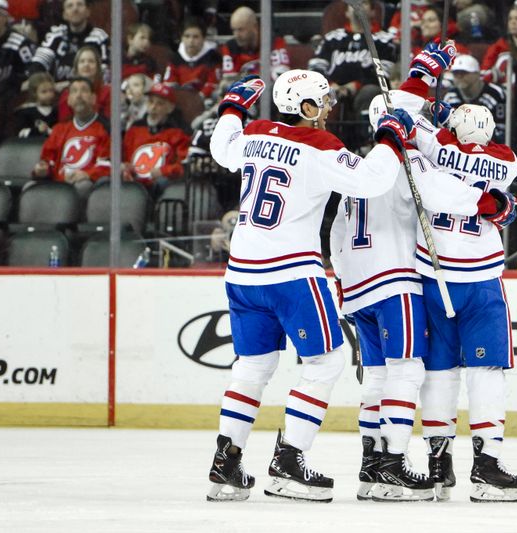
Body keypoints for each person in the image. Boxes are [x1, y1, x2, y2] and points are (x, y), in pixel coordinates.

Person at [206, 69, 406, 503]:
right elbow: (374, 179)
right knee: (328, 360)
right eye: (325, 101)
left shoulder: (254, 133)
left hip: (242, 272)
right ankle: (289, 461)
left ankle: (226, 463)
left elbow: (221, 148)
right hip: (291, 272)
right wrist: (392, 137)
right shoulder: (319, 146)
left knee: (252, 366)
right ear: (307, 108)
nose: (330, 108)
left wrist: (231, 108)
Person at [330, 59, 512, 501]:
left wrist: (421, 83)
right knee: (459, 371)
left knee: (430, 373)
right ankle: (481, 464)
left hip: (400, 279)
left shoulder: (367, 164)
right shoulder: (495, 160)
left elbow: (337, 231)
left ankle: (427, 461)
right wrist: (496, 205)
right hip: (449, 279)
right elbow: (447, 184)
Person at [397, 45, 517, 503]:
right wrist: (498, 206)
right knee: (487, 372)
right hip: (482, 278)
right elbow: (491, 192)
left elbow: (408, 114)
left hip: (433, 277)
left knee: (440, 372)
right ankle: (487, 464)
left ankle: (437, 462)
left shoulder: (434, 148)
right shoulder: (505, 161)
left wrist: (423, 74)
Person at [307, 0, 398, 147]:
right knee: (313, 93)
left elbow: (384, 73)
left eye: (364, 3)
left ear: (373, 12)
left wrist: (356, 85)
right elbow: (315, 66)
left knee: (371, 92)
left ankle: (366, 145)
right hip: (331, 89)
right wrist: (328, 85)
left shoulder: (384, 40)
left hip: (364, 90)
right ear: (346, 12)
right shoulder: (332, 38)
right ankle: (315, 144)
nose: (358, 5)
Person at [32, 77, 111, 198]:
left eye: (84, 90)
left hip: (86, 184)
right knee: (30, 187)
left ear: (93, 98)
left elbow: (107, 165)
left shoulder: (106, 128)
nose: (79, 95)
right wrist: (42, 169)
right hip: (59, 183)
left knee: (82, 187)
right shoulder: (59, 128)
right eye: (74, 91)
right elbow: (48, 160)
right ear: (68, 100)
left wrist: (87, 174)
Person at [122, 83, 189, 198]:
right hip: (134, 182)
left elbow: (184, 165)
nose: (153, 107)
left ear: (170, 108)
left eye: (160, 104)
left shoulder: (178, 132)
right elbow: (123, 157)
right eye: (151, 102)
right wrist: (125, 167)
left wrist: (164, 171)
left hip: (160, 183)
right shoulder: (134, 129)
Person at [29, 0, 109, 87]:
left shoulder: (99, 37)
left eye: (80, 4)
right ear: (64, 15)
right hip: (56, 94)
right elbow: (38, 64)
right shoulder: (55, 35)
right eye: (70, 6)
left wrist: (68, 85)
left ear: (88, 12)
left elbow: (104, 72)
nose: (75, 9)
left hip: (89, 91)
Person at [443, 54, 507, 144]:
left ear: (477, 74)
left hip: (490, 148)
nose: (459, 76)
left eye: (464, 73)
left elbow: (502, 131)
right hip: (460, 149)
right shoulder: (450, 96)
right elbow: (447, 129)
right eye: (456, 73)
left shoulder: (496, 94)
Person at [220, 6, 289, 82]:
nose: (237, 35)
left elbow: (281, 75)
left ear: (255, 27)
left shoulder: (274, 42)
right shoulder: (229, 47)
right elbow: (229, 80)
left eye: (241, 29)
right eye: (234, 30)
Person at [163, 18, 221, 100]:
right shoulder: (175, 58)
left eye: (196, 37)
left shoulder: (213, 57)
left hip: (205, 101)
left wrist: (197, 99)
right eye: (187, 36)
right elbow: (169, 84)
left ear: (203, 38)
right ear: (181, 38)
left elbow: (213, 84)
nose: (191, 41)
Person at [56, 45, 111, 122]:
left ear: (98, 67)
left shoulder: (108, 92)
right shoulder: (67, 94)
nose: (86, 65)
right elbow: (64, 123)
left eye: (91, 61)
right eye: (82, 61)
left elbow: (110, 123)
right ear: (76, 67)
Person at [13, 71, 58, 137]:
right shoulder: (25, 111)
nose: (49, 95)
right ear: (34, 93)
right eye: (44, 92)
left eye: (51, 90)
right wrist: (37, 130)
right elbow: (20, 133)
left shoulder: (55, 111)